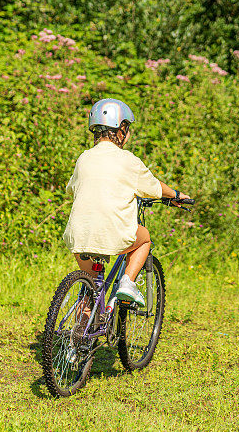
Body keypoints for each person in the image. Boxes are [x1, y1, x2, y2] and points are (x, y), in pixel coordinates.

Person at [62, 98, 191, 307]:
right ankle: (128, 283)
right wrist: (175, 194)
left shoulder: (83, 158)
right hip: (113, 233)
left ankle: (81, 332)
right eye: (127, 128)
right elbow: (155, 187)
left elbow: (72, 188)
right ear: (120, 128)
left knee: (92, 288)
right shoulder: (128, 159)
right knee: (145, 238)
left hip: (78, 235)